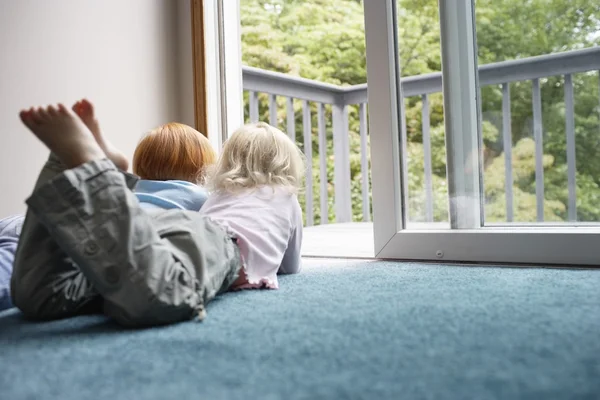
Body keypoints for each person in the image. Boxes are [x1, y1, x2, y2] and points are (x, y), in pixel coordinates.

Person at [10, 102, 304, 328]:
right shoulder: (286, 198)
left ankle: (62, 166)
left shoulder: (219, 194)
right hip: (221, 243)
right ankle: (98, 172)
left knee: (46, 296)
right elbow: (289, 265)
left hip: (173, 231)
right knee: (163, 296)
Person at [74, 99, 215, 211]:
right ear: (200, 171)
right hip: (151, 235)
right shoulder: (199, 196)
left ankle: (111, 170)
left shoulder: (134, 190)